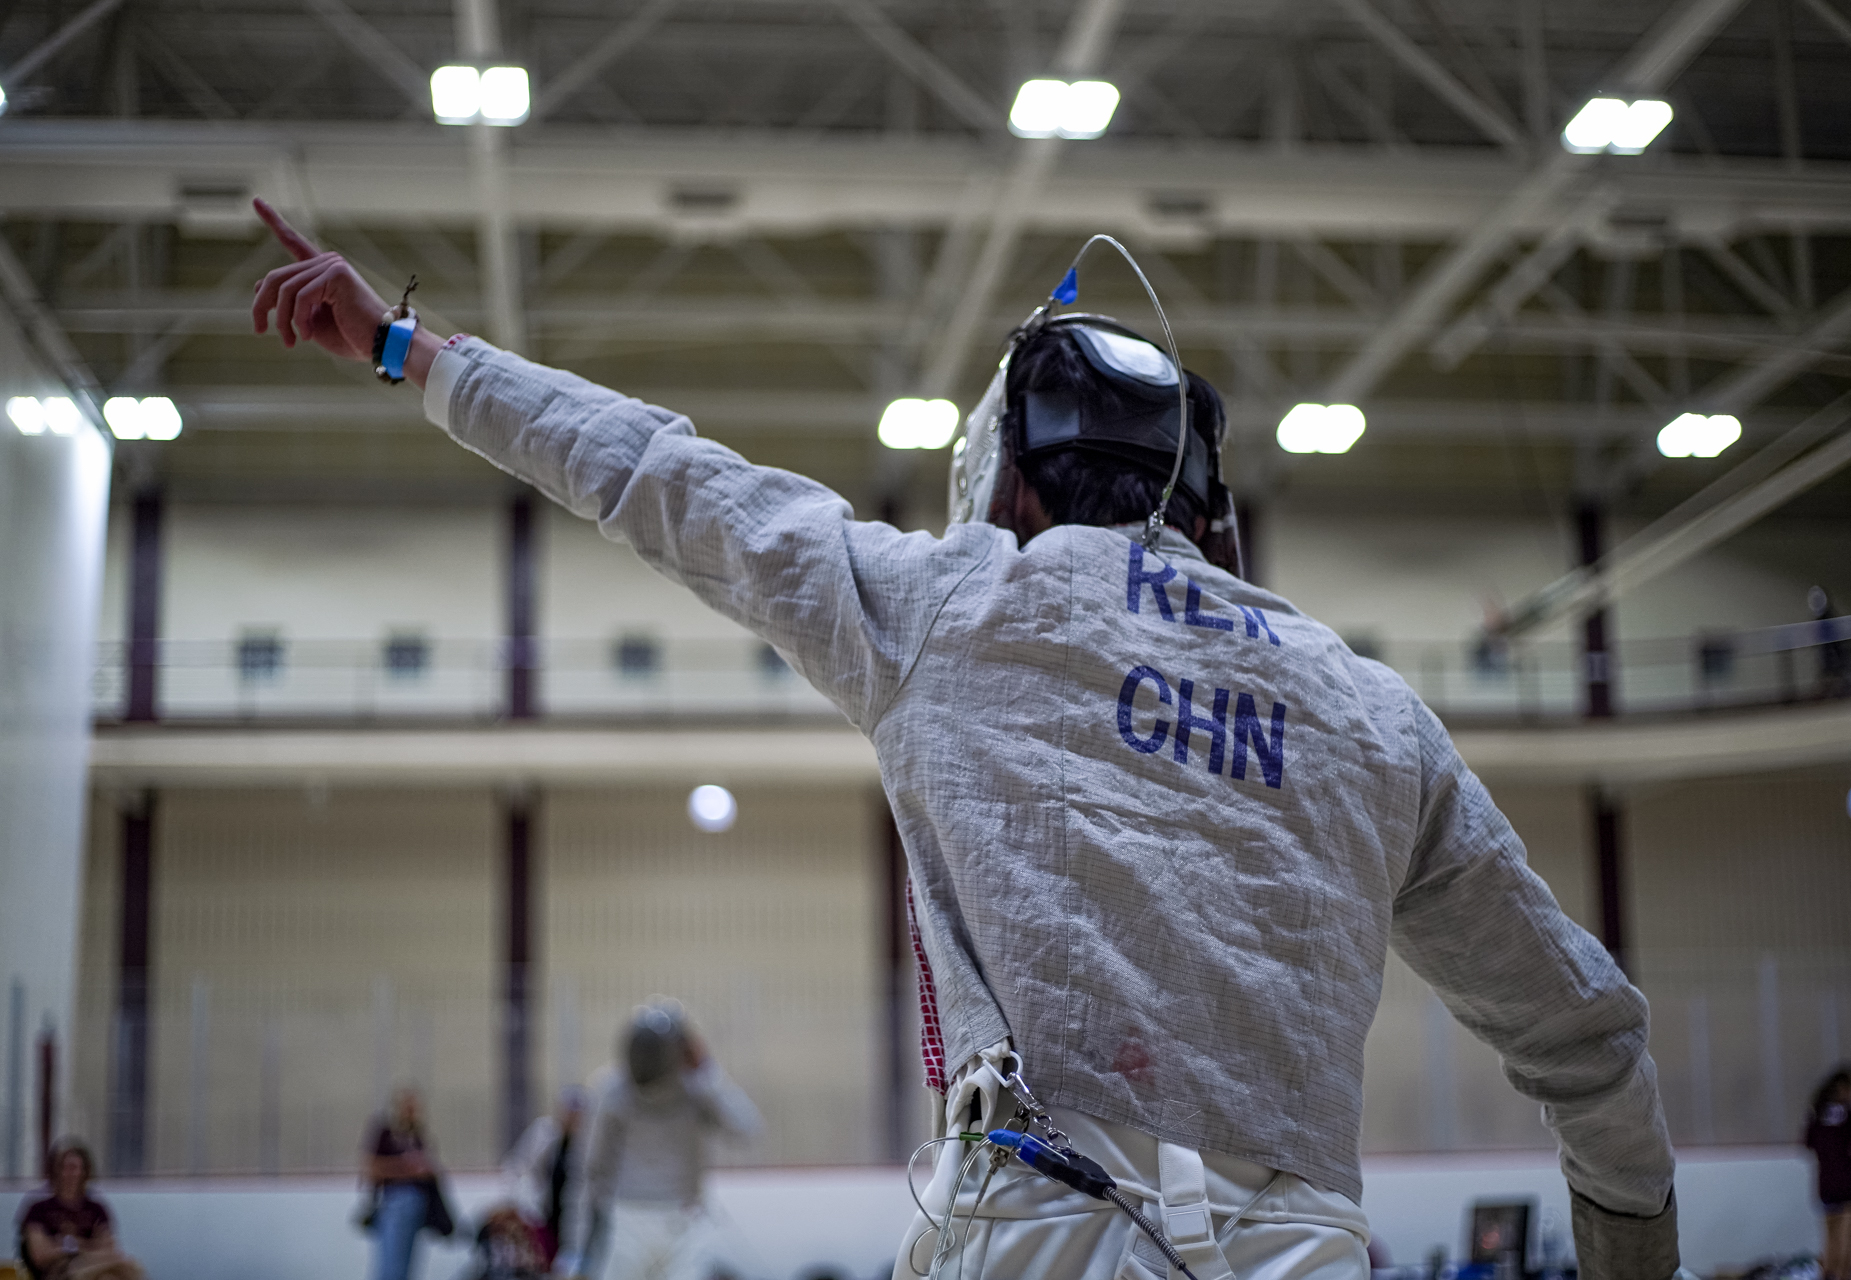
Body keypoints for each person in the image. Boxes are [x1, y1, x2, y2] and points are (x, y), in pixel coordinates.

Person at [246, 201, 1681, 1280]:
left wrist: (405, 346)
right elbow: (1594, 1047)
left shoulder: (949, 604)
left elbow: (658, 473)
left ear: (1005, 478)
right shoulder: (1374, 715)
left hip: (1040, 1232)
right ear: (1199, 496)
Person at [556, 1003, 761, 1280]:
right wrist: (575, 1248)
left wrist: (707, 1071)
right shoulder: (613, 1090)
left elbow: (747, 1129)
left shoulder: (696, 1088)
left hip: (682, 1223)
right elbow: (588, 1170)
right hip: (629, 1220)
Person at [15, 1140, 143, 1280]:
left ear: (84, 1171)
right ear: (55, 1170)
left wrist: (67, 1245)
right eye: (65, 1167)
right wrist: (87, 1247)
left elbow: (108, 1248)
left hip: (93, 1265)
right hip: (59, 1271)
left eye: (75, 1168)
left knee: (111, 1276)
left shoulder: (96, 1209)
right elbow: (40, 1255)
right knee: (122, 1267)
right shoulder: (38, 1210)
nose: (70, 1174)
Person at [362, 1088, 455, 1280]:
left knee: (406, 1267)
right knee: (391, 1266)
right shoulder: (386, 1134)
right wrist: (409, 1167)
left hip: (417, 1203)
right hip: (396, 1202)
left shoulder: (417, 1136)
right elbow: (372, 1169)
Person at [502, 1086, 589, 1264]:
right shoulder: (545, 1133)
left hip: (578, 1221)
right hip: (547, 1217)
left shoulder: (588, 1142)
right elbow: (518, 1167)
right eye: (569, 1111)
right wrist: (523, 1205)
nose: (572, 1117)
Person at [1803, 1064, 1851, 1280]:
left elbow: (1808, 1143)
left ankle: (1827, 1274)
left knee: (1830, 1240)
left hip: (1826, 1182)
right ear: (1844, 1088)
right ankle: (1843, 1276)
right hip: (1849, 1182)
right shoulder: (1849, 1111)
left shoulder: (1816, 1111)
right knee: (1847, 1240)